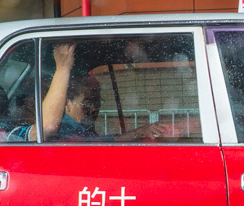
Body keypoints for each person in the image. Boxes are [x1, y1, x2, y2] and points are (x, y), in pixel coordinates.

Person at [12, 42, 170, 142]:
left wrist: (141, 131)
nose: (94, 109)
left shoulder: (81, 128)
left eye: (96, 103)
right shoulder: (57, 129)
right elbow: (45, 129)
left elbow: (105, 141)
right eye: (87, 103)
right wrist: (63, 67)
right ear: (65, 104)